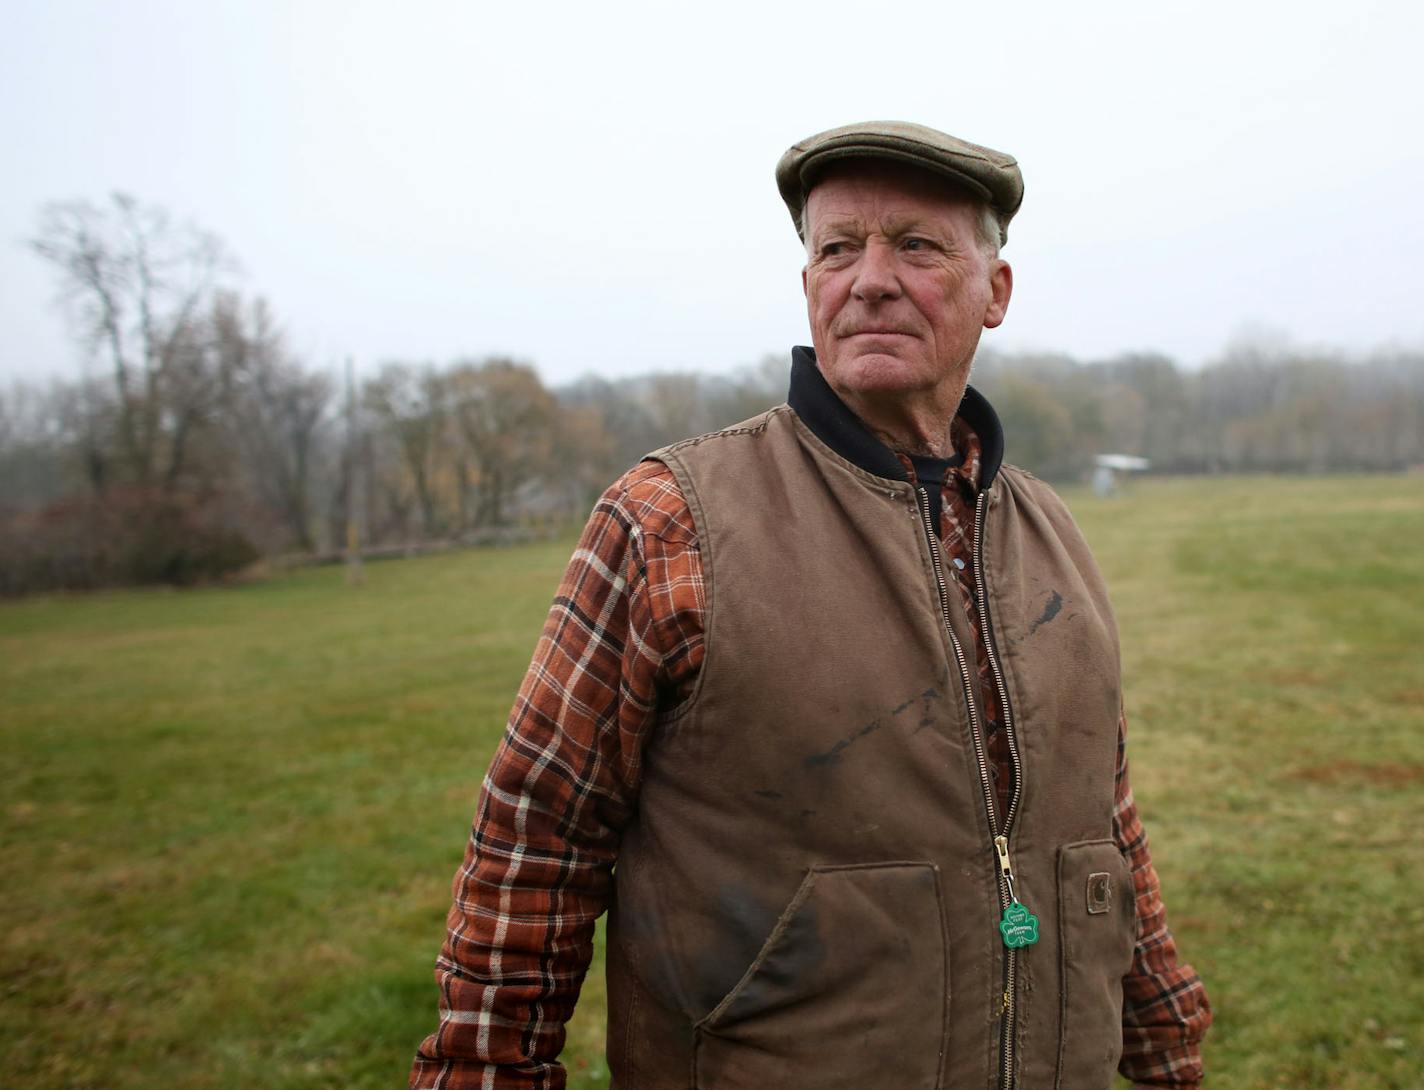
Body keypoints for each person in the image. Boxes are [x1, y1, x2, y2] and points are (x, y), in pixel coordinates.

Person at [409, 121, 1211, 1090]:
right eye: (837, 248)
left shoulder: (1048, 530)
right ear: (807, 288)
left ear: (994, 292)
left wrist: (1163, 1036)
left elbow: (1101, 816)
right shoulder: (670, 520)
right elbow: (535, 837)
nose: (869, 277)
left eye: (914, 244)